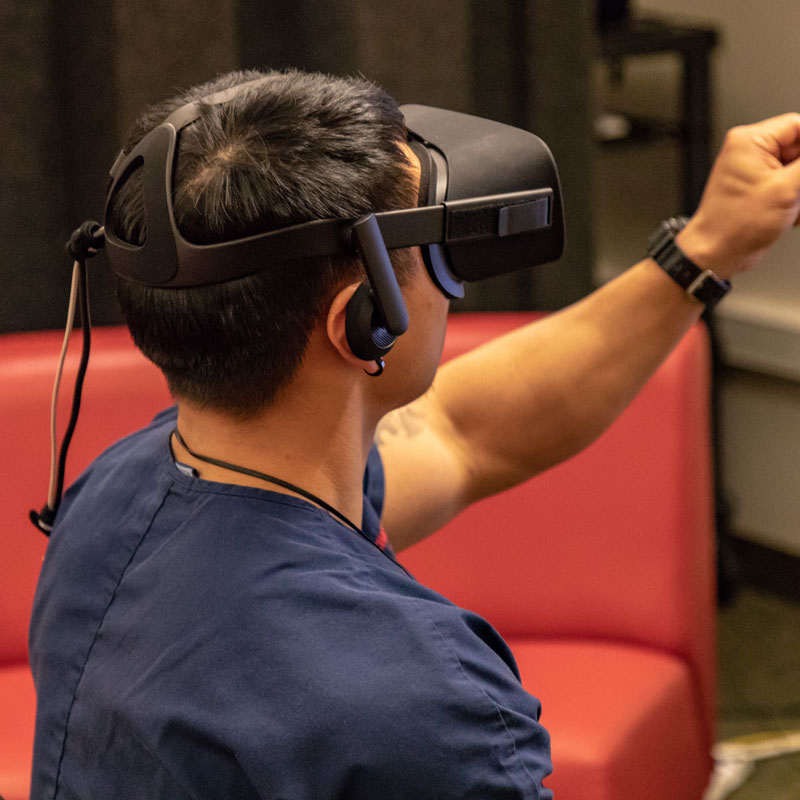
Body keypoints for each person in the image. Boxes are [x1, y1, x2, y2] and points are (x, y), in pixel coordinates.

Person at [28, 68, 800, 799]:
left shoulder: (119, 495)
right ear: (364, 320)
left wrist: (704, 250)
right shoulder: (420, 705)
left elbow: (465, 433)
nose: (450, 283)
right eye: (440, 255)